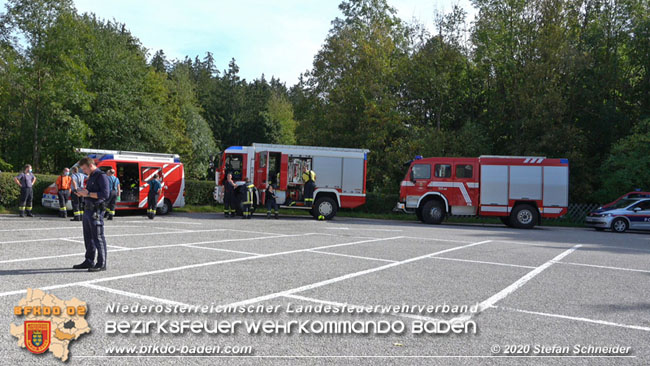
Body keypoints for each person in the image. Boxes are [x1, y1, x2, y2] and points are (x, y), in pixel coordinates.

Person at [72, 157, 109, 272]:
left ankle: (101, 263)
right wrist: (82, 193)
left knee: (98, 237)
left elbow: (105, 194)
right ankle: (89, 260)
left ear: (90, 166)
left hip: (96, 211)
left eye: (84, 169)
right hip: (88, 210)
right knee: (88, 238)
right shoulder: (92, 176)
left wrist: (88, 193)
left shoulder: (101, 176)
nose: (83, 171)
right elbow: (89, 193)